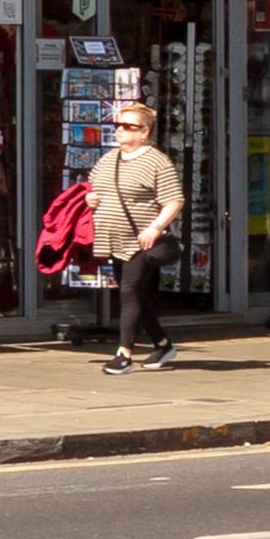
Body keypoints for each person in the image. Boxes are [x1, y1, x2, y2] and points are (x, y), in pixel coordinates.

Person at [88, 88, 188, 369]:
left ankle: (124, 354)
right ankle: (162, 345)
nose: (120, 131)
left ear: (144, 132)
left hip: (140, 240)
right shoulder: (109, 158)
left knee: (129, 291)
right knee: (136, 293)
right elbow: (93, 189)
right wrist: (90, 198)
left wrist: (155, 228)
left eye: (127, 126)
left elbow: (174, 200)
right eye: (117, 125)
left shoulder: (156, 161)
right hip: (114, 238)